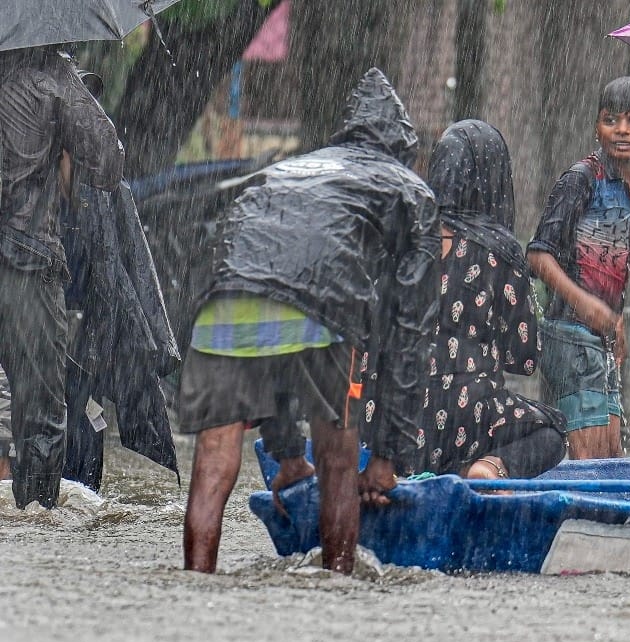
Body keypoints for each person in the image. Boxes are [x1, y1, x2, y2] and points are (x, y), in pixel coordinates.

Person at [177, 68, 439, 574]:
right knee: (339, 455)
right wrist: (386, 458)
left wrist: (286, 456)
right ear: (401, 148)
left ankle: (196, 580)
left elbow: (272, 300)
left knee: (213, 452)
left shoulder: (290, 169)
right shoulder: (409, 188)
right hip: (325, 306)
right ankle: (335, 581)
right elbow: (411, 333)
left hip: (223, 297)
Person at [0, 46, 124, 505]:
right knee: (39, 415)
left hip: (25, 257)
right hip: (26, 261)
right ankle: (35, 517)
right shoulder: (50, 69)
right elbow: (109, 164)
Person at [414, 120, 567, 480]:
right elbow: (523, 358)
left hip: (401, 421)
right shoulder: (498, 249)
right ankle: (488, 467)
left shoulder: (404, 238)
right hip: (470, 417)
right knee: (553, 431)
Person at [527, 76, 630, 459]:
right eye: (610, 120)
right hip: (568, 331)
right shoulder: (582, 179)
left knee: (614, 454)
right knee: (590, 459)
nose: (622, 130)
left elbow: (620, 264)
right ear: (596, 127)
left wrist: (617, 322)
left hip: (601, 337)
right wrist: (585, 304)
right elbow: (537, 256)